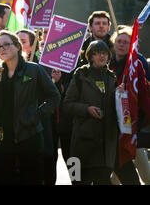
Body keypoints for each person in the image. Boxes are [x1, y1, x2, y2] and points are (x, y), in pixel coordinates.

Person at [0, 30, 60, 185]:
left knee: (31, 179)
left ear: (18, 47)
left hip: (29, 134)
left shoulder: (34, 69)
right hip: (3, 136)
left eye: (6, 44)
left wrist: (36, 115)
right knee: (4, 179)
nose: (2, 49)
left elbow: (54, 96)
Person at [62, 40, 120, 185]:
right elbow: (67, 105)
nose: (101, 56)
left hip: (106, 144)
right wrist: (86, 109)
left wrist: (121, 95)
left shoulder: (112, 77)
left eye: (104, 53)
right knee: (81, 181)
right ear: (90, 56)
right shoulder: (81, 75)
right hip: (84, 142)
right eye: (97, 53)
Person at [109, 27, 150, 185]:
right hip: (112, 127)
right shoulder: (107, 63)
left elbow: (144, 94)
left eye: (126, 42)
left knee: (139, 172)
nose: (121, 45)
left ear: (131, 45)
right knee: (117, 174)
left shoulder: (136, 65)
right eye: (119, 41)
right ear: (114, 43)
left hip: (130, 125)